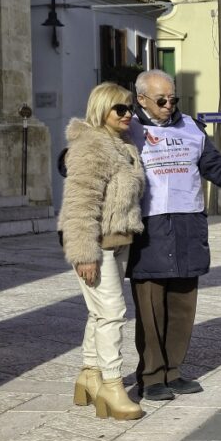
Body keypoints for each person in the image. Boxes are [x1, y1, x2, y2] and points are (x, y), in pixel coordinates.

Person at [127, 70, 221, 401]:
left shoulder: (191, 128)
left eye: (172, 99)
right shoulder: (128, 128)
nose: (168, 105)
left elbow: (216, 166)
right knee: (151, 309)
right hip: (149, 229)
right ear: (141, 99)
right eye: (161, 100)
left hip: (188, 226)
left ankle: (173, 371)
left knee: (182, 306)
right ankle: (151, 376)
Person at [59, 82, 145, 420]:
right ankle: (111, 385)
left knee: (100, 312)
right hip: (95, 243)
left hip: (119, 240)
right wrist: (84, 254)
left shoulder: (124, 144)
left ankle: (89, 374)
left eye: (130, 108)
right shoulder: (91, 145)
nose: (128, 114)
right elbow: (80, 203)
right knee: (113, 313)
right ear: (101, 110)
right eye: (120, 109)